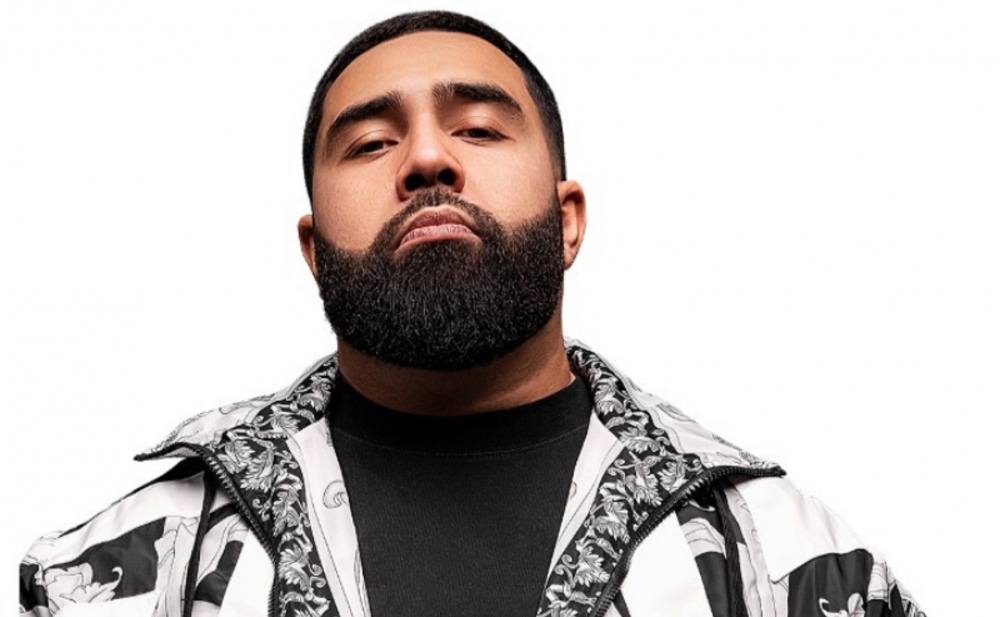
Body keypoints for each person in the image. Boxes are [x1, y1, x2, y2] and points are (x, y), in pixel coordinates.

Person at [19, 10, 925, 617]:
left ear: (568, 222)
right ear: (313, 248)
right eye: (370, 142)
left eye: (480, 129)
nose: (425, 158)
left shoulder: (796, 569)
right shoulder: (120, 576)